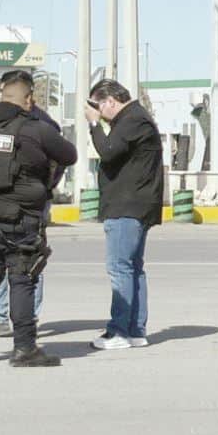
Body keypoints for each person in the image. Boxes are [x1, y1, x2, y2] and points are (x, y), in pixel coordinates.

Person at [0, 70, 76, 367]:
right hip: (21, 219)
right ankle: (24, 348)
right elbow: (69, 154)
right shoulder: (34, 129)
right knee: (22, 280)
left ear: (1, 95)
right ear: (28, 100)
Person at [84, 78, 164, 351]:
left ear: (109, 101)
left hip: (126, 207)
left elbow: (107, 151)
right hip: (136, 205)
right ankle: (135, 330)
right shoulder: (136, 119)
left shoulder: (131, 120)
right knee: (132, 269)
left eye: (97, 106)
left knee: (120, 269)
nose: (96, 111)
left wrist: (94, 124)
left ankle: (119, 331)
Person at [0, 80, 60, 338]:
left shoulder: (45, 125)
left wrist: (45, 187)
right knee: (0, 257)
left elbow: (60, 160)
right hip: (3, 199)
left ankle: (27, 316)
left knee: (30, 260)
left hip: (31, 202)